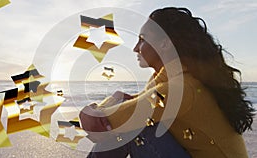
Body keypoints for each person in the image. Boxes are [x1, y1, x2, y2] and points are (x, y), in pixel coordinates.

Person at [79, 7, 255, 158]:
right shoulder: (169, 80)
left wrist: (91, 113)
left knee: (137, 124)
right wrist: (114, 100)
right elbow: (128, 107)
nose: (135, 48)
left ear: (164, 44)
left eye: (142, 39)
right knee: (134, 116)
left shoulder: (182, 88)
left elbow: (107, 121)